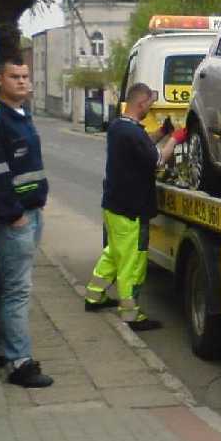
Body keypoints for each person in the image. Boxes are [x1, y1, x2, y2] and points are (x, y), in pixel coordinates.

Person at [0, 57, 53, 388]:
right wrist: (13, 214)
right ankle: (20, 364)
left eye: (25, 76)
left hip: (28, 213)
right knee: (18, 290)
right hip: (12, 218)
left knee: (6, 286)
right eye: (14, 76)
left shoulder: (20, 115)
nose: (22, 81)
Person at [84, 82, 187, 330]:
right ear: (141, 103)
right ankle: (131, 315)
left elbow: (143, 144)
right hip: (131, 210)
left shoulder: (119, 127)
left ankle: (94, 296)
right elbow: (157, 160)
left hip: (114, 205)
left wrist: (162, 131)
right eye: (150, 103)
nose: (151, 107)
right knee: (132, 261)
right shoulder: (131, 133)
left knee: (114, 253)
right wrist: (174, 139)